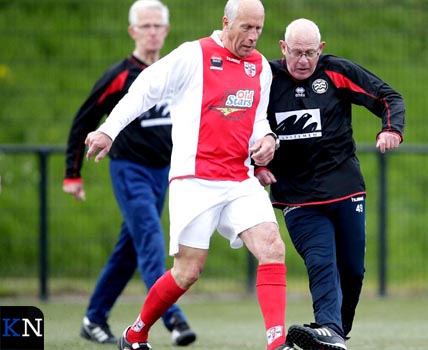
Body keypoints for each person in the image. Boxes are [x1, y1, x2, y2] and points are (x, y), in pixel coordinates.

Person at [83, 0, 293, 349]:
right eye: (246, 28)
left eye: (259, 28)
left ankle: (277, 342)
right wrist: (110, 129)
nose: (254, 37)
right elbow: (145, 88)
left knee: (272, 247)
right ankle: (136, 333)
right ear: (226, 22)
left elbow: (257, 119)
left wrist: (267, 138)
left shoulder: (260, 68)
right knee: (187, 272)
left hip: (240, 180)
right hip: (194, 181)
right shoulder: (193, 55)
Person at [255, 18, 406, 350]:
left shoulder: (336, 71)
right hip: (297, 195)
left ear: (320, 50)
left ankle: (334, 333)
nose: (303, 60)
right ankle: (328, 327)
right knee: (321, 259)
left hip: (345, 188)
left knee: (352, 271)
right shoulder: (265, 78)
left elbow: (386, 97)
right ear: (283, 48)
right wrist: (256, 164)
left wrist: (391, 129)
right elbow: (239, 121)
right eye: (296, 52)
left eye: (310, 53)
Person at [63, 0, 196, 346]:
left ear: (166, 31)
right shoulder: (120, 75)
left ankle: (93, 318)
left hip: (162, 174)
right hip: (128, 169)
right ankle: (174, 320)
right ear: (132, 31)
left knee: (128, 249)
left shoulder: (173, 71)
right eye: (145, 26)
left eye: (157, 26)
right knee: (151, 239)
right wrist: (72, 174)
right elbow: (84, 120)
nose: (152, 32)